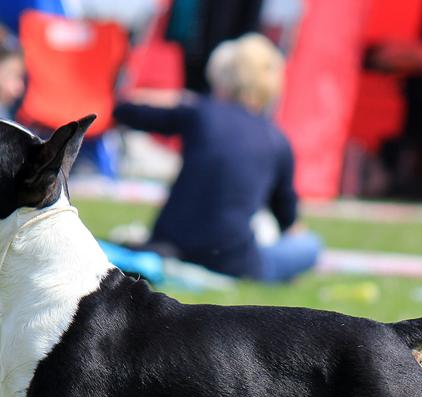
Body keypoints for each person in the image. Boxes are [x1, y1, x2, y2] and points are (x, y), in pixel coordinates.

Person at [113, 32, 321, 282]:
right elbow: (289, 223)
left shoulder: (200, 112)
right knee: (310, 245)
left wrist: (180, 98)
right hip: (233, 261)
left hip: (169, 245)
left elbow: (127, 110)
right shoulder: (277, 140)